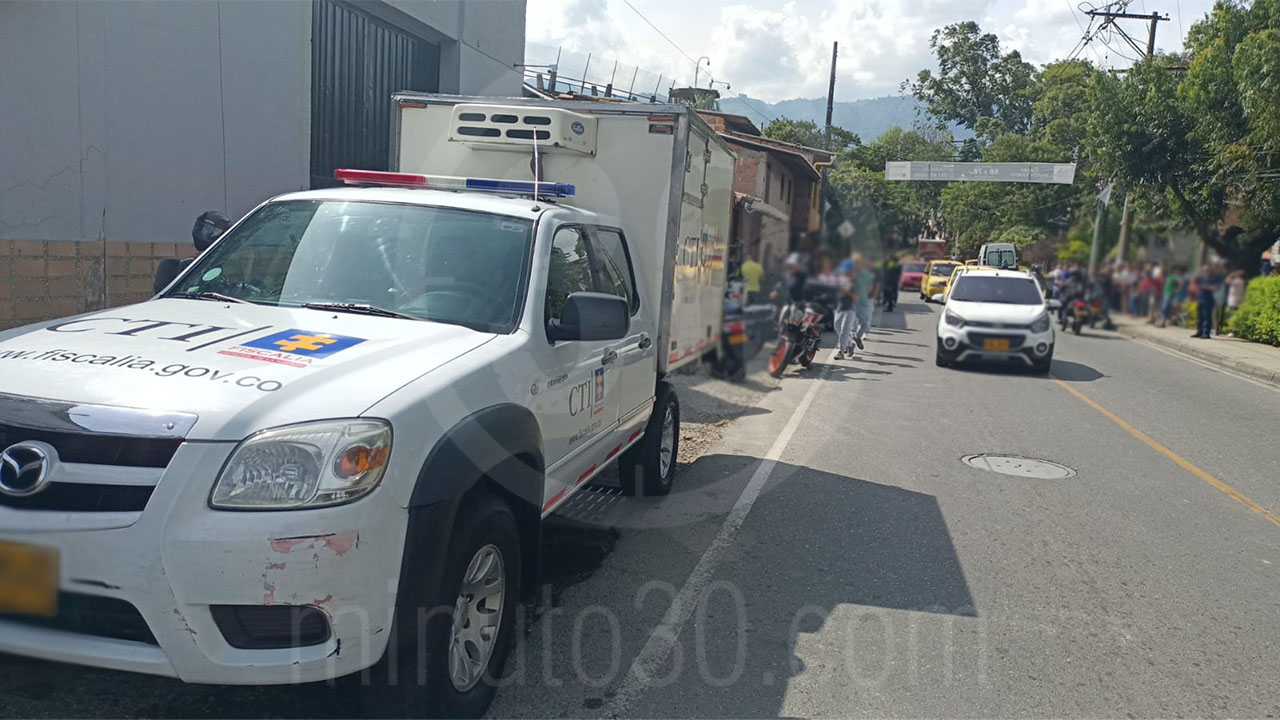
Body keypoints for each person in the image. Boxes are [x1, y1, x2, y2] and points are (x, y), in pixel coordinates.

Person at [850, 253, 875, 352]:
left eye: (858, 263)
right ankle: (847, 347)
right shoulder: (849, 273)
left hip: (863, 303)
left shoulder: (866, 274)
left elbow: (870, 288)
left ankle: (857, 337)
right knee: (850, 326)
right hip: (850, 303)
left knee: (864, 324)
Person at [833, 258, 857, 359]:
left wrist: (847, 293)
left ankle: (841, 351)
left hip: (850, 309)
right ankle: (849, 345)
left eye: (848, 270)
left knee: (844, 329)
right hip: (839, 308)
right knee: (837, 327)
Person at [1192, 263, 1220, 339]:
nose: (1206, 271)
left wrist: (1206, 287)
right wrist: (1198, 271)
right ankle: (1199, 332)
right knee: (1200, 317)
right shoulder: (1201, 278)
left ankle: (1206, 333)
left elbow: (1216, 288)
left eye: (1207, 270)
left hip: (1208, 300)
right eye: (1205, 270)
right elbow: (1193, 280)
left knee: (1207, 317)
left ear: (1211, 270)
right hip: (1200, 299)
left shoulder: (1214, 278)